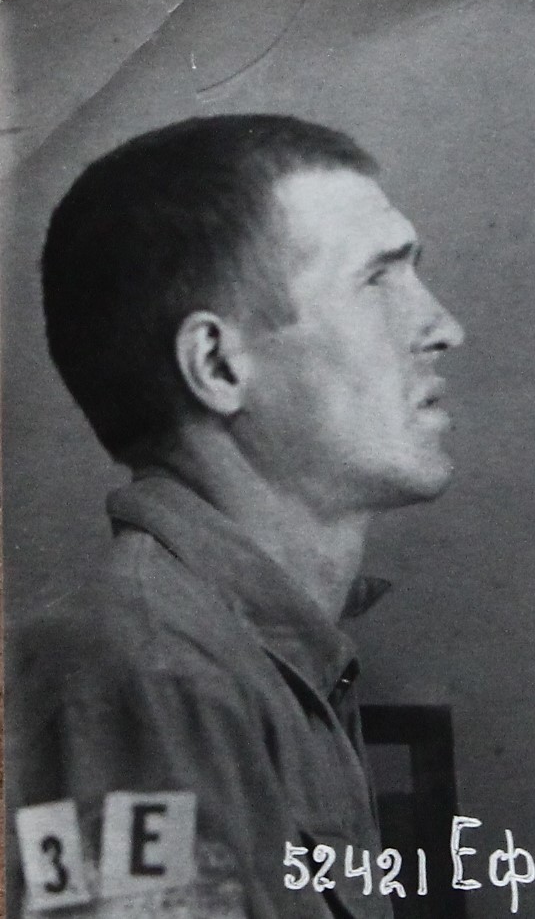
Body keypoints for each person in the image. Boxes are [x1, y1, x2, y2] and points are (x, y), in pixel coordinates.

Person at [8, 115, 464, 918]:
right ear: (218, 365)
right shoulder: (145, 680)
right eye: (376, 282)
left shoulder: (254, 661)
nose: (443, 329)